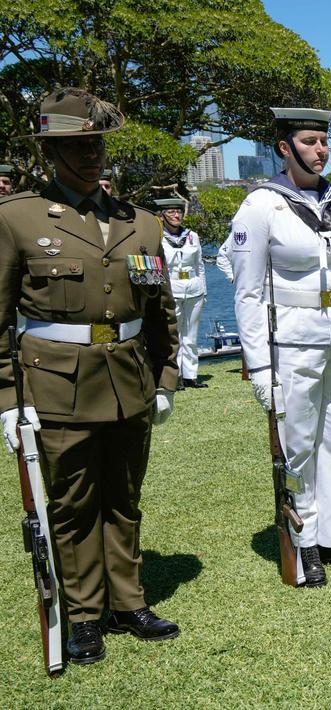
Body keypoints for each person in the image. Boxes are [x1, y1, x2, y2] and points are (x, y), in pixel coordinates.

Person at [0, 87, 180, 665]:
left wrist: (165, 378)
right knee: (73, 502)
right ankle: (83, 614)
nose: (92, 154)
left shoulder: (141, 223)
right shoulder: (18, 219)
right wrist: (8, 397)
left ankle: (128, 602)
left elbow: (160, 312)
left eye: (97, 143)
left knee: (125, 497)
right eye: (78, 146)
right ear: (51, 150)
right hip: (55, 384)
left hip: (129, 381)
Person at [230, 107, 331, 587]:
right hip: (291, 343)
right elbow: (248, 293)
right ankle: (304, 539)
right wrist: (257, 366)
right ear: (284, 147)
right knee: (299, 446)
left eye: (324, 141)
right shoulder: (260, 206)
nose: (321, 150)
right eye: (310, 141)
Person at [155, 197, 208, 389]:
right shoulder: (158, 237)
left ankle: (191, 375)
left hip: (193, 289)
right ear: (163, 215)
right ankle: (174, 376)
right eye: (171, 212)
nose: (176, 215)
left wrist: (204, 290)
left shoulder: (192, 236)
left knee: (191, 336)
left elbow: (199, 265)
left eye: (178, 212)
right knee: (173, 336)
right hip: (172, 289)